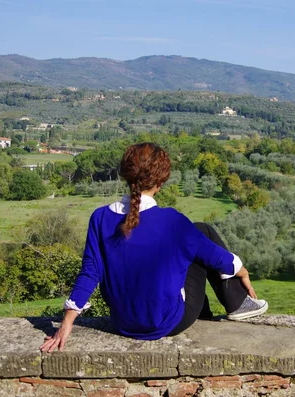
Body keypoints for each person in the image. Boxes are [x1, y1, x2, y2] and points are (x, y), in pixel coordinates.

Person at [40, 142, 267, 352]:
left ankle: (210, 310)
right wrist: (243, 271)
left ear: (125, 176)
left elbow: (90, 271)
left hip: (123, 323)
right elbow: (218, 259)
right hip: (169, 322)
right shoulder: (172, 221)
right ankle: (236, 304)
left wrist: (66, 323)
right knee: (202, 232)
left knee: (190, 242)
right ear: (160, 182)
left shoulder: (100, 218)